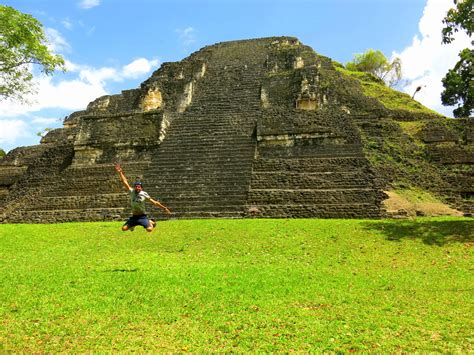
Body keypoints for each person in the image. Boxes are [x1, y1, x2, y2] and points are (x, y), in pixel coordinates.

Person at [115, 163, 171, 232]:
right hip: (134, 217)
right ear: (134, 187)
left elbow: (155, 202)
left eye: (139, 187)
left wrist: (164, 208)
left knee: (149, 230)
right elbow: (125, 182)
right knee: (123, 229)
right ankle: (133, 225)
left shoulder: (144, 194)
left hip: (142, 217)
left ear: (141, 188)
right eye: (136, 186)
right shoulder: (132, 191)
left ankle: (151, 222)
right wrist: (120, 172)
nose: (137, 188)